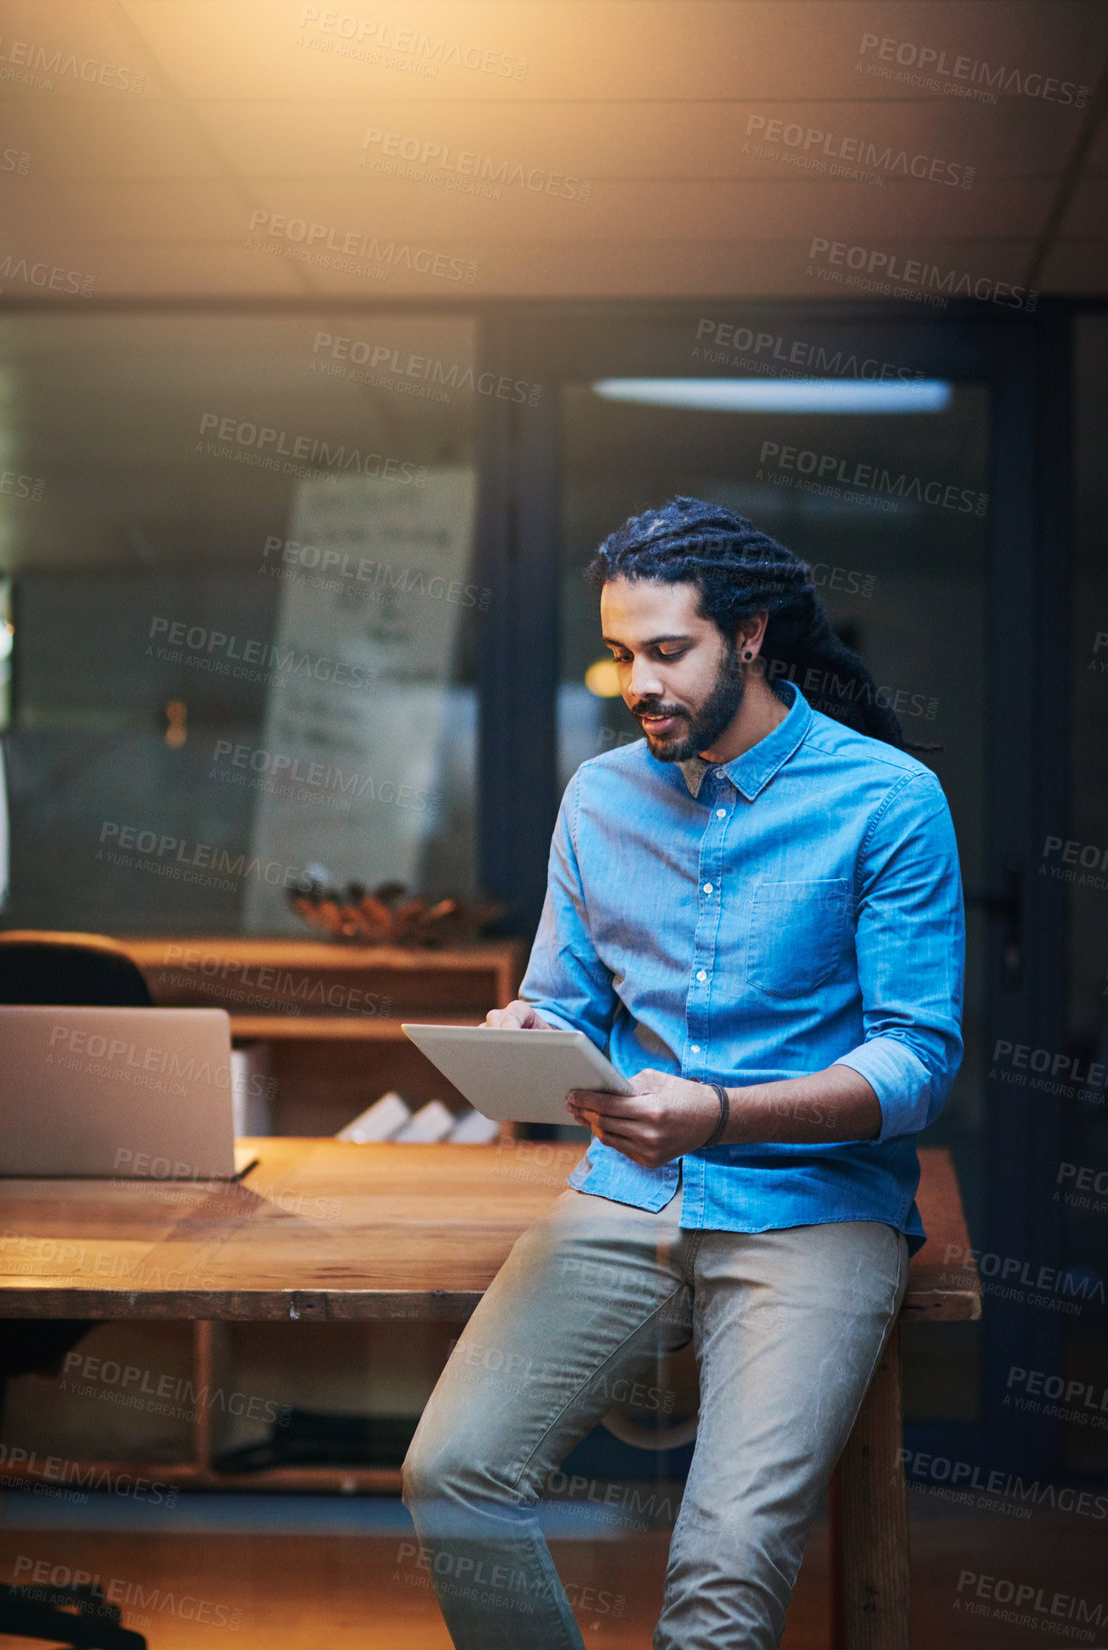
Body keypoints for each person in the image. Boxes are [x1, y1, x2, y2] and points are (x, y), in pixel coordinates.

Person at [401, 497, 965, 1649]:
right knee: (452, 1471)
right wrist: (528, 1029)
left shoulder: (887, 803)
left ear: (748, 635)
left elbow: (916, 1064)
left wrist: (717, 1114)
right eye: (618, 656)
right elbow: (565, 995)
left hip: (812, 1207)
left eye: (667, 651)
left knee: (719, 1581)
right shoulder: (598, 799)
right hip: (627, 1192)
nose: (638, 683)